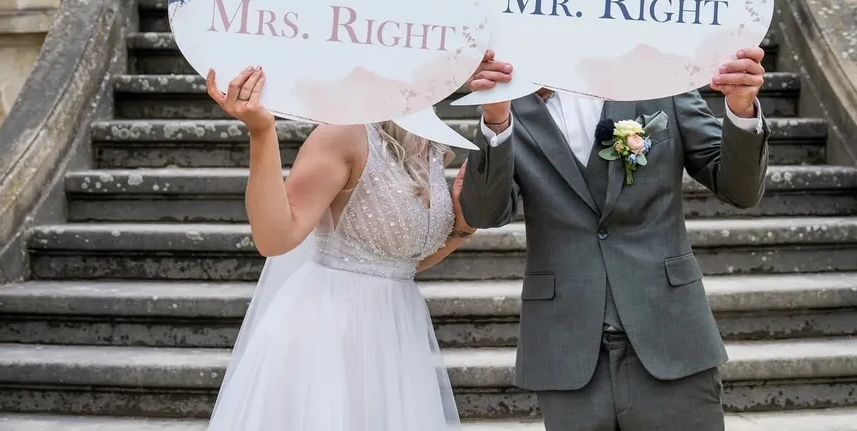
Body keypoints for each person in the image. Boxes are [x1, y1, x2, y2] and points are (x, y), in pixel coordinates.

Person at [460, 48, 769, 431]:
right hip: (566, 346)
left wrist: (740, 110)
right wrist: (494, 118)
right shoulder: (508, 98)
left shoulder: (659, 77)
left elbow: (739, 189)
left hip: (670, 332)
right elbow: (485, 213)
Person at [203, 65, 475, 431]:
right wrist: (262, 132)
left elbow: (398, 262)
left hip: (395, 332)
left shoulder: (429, 143)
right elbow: (275, 238)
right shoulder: (343, 135)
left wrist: (461, 227)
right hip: (330, 332)